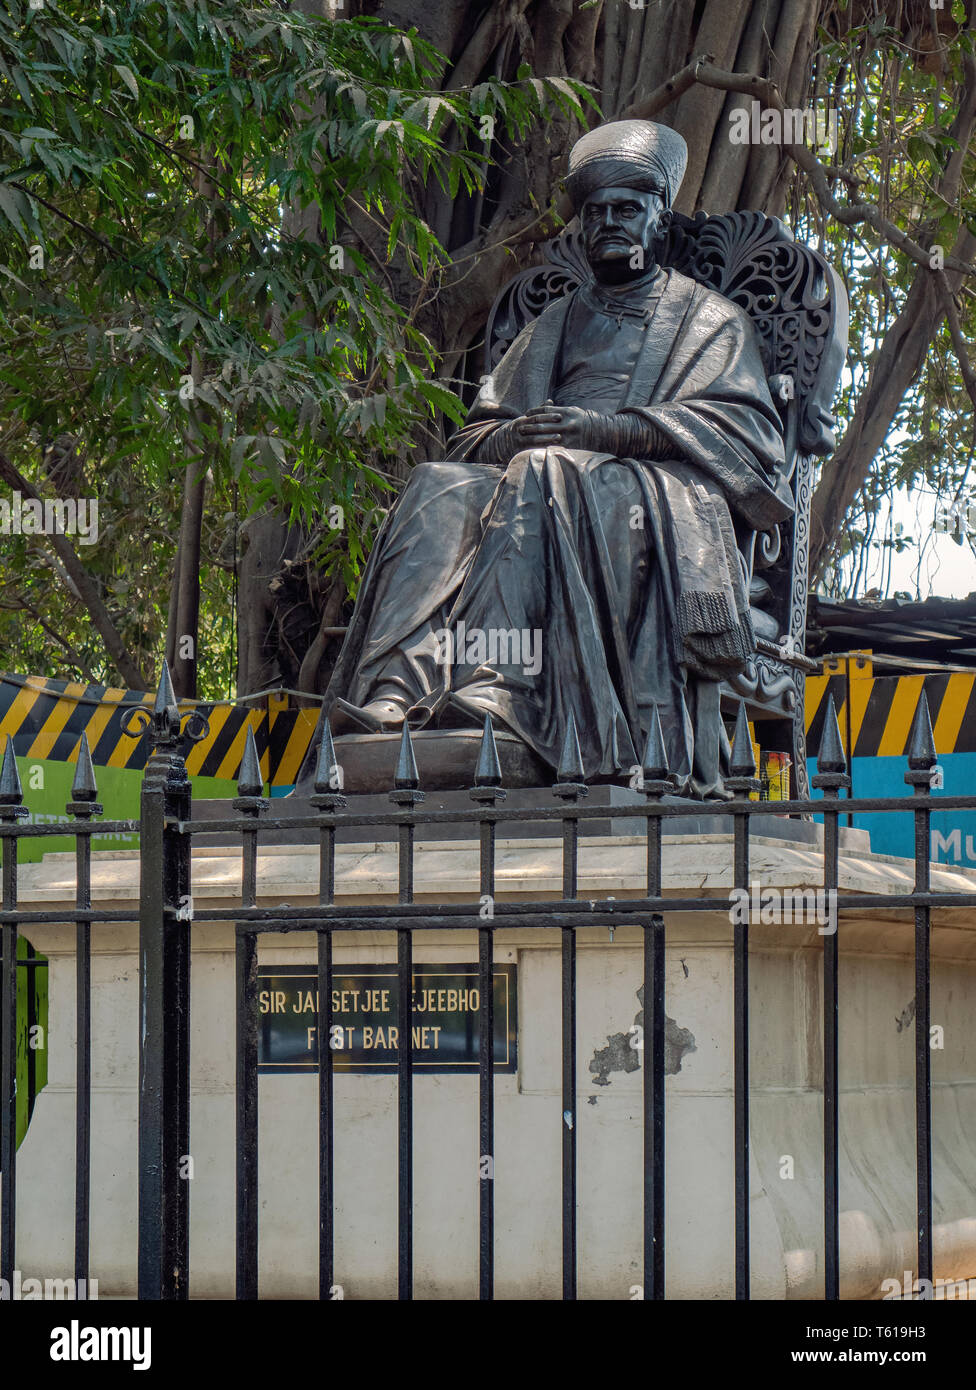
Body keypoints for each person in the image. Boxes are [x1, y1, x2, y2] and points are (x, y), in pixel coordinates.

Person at [313, 120, 792, 797]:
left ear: (660, 220)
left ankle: (496, 692)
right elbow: (476, 437)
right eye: (594, 214)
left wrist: (606, 431)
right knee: (438, 485)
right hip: (538, 480)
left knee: (549, 471)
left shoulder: (711, 321)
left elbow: (749, 445)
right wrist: (516, 435)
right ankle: (396, 693)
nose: (607, 225)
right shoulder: (551, 324)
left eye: (626, 210)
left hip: (649, 499)